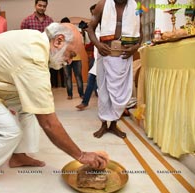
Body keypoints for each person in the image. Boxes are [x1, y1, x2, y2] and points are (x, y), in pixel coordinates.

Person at [0, 22, 109, 187]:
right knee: (9, 130)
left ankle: (19, 155)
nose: (69, 61)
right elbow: (49, 123)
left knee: (29, 109)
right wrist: (81, 155)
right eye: (71, 54)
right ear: (58, 41)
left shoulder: (36, 40)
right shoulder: (33, 59)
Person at [86, 0, 142, 138]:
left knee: (120, 93)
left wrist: (134, 48)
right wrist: (98, 45)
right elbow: (89, 28)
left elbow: (140, 33)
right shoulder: (102, 5)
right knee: (104, 92)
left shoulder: (137, 6)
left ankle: (114, 125)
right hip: (105, 54)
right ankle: (104, 125)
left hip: (124, 56)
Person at [76, 4, 99, 110]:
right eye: (92, 14)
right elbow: (89, 42)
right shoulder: (93, 25)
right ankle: (85, 102)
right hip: (97, 58)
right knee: (91, 79)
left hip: (107, 57)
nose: (94, 15)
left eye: (96, 12)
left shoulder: (107, 24)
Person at [60, 17, 84, 100]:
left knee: (78, 76)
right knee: (68, 77)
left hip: (76, 58)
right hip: (65, 59)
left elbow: (81, 42)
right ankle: (70, 94)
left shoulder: (75, 32)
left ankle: (81, 94)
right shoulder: (60, 35)